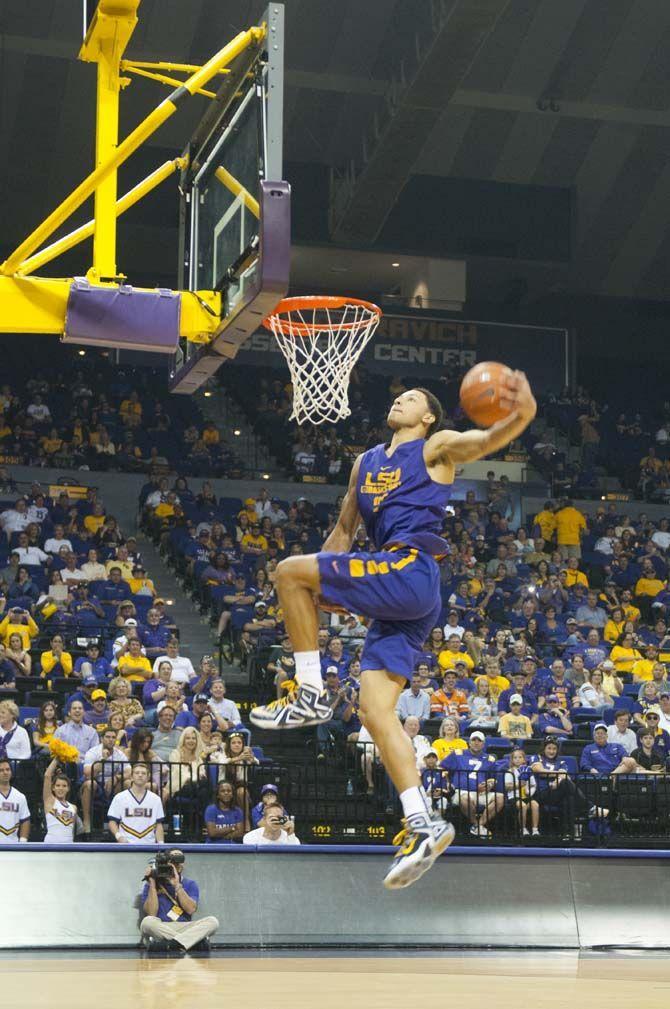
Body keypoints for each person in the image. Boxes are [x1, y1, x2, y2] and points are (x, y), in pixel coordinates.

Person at [251, 376, 537, 888]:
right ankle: (422, 822)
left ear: (428, 417)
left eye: (411, 398)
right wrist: (322, 586)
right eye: (397, 395)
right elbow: (342, 533)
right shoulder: (364, 464)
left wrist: (520, 416)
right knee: (373, 710)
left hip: (410, 568)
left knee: (287, 571)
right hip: (398, 594)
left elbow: (484, 441)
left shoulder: (436, 448)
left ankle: (312, 692)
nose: (398, 398)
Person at [140, 848, 219, 952]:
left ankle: (171, 944)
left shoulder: (190, 884)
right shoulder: (152, 884)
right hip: (162, 927)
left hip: (185, 926)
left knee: (213, 922)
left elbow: (190, 909)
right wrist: (153, 884)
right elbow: (151, 913)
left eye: (179, 861)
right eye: (173, 861)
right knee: (147, 922)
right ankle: (191, 943)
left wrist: (177, 885)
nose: (177, 864)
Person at [107, 762, 165, 843]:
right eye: (137, 773)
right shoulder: (119, 797)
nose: (140, 775)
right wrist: (119, 837)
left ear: (148, 777)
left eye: (143, 773)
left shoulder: (156, 799)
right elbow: (112, 822)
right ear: (131, 777)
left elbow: (158, 825)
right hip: (126, 846)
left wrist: (161, 844)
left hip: (149, 846)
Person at [42, 758, 77, 843]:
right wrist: (57, 758)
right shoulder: (50, 801)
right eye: (58, 785)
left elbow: (72, 832)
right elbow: (47, 775)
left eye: (64, 786)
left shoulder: (74, 807)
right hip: (50, 846)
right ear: (53, 788)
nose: (61, 788)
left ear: (68, 788)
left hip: (68, 848)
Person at [0, 756, 30, 843]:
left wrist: (22, 842)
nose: (5, 772)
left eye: (7, 769)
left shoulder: (20, 797)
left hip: (13, 846)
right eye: (1, 770)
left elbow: (25, 820)